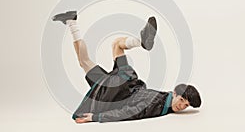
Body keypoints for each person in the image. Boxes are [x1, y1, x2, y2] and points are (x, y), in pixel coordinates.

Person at [52, 11, 201, 123]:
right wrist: (96, 117)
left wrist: (96, 117)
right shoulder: (157, 104)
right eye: (182, 100)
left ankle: (71, 22)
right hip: (118, 88)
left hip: (122, 85)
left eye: (186, 105)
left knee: (85, 60)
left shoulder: (165, 99)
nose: (182, 106)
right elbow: (129, 113)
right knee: (112, 47)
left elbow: (129, 111)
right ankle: (140, 42)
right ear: (175, 93)